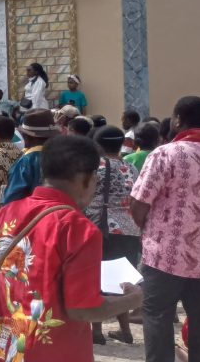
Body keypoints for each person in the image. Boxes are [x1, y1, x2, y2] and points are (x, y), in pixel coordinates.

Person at [0, 135, 144, 362]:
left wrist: (1, 301)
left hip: (10, 339)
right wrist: (134, 299)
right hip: (57, 349)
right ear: (88, 180)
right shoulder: (79, 229)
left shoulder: (6, 213)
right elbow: (81, 309)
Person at [129, 95, 200, 362]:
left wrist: (150, 230)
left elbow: (139, 202)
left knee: (157, 316)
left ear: (178, 121)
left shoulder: (166, 153)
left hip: (165, 256)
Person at [81, 125, 141, 345]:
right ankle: (125, 331)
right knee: (120, 280)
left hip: (100, 226)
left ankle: (97, 331)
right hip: (128, 229)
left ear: (97, 144)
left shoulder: (95, 167)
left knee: (96, 277)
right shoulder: (131, 168)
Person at [1, 108, 59, 204]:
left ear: (25, 135)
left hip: (34, 215)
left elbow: (11, 200)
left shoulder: (27, 161)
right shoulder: (64, 155)